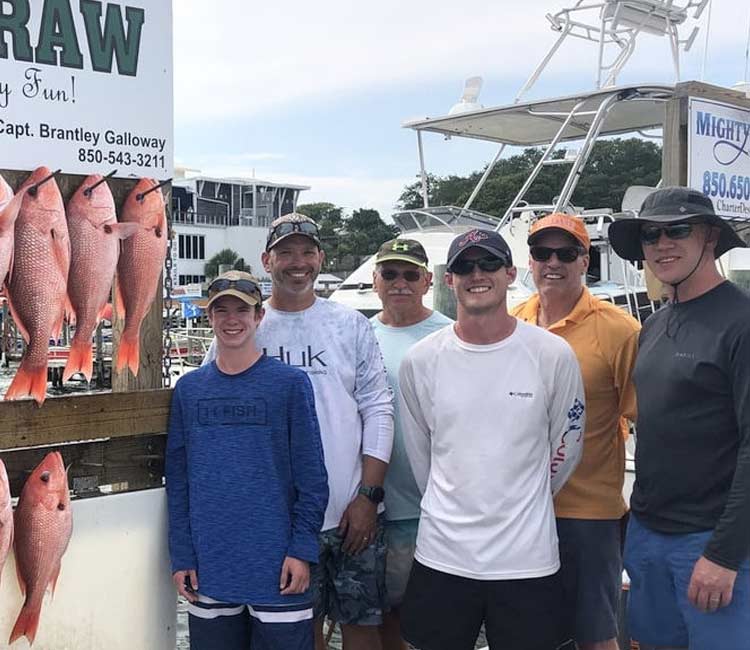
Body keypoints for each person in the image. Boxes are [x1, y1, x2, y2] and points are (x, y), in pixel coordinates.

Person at [203, 213, 394, 650]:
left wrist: (368, 496)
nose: (297, 262)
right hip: (277, 521)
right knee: (298, 633)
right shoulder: (243, 323)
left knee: (363, 628)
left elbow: (379, 410)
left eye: (307, 252)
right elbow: (214, 407)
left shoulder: (351, 325)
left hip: (351, 512)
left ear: (320, 258)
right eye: (285, 252)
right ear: (266, 259)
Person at [398, 228, 586, 650]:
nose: (475, 273)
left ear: (510, 272)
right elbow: (421, 456)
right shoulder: (421, 360)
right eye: (464, 265)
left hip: (528, 560)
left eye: (488, 264)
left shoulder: (552, 354)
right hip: (442, 555)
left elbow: (567, 447)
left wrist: (527, 498)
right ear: (449, 279)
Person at [608, 187, 750, 650]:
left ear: (710, 237)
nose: (662, 243)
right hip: (649, 534)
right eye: (651, 234)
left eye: (678, 230)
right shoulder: (653, 324)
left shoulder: (742, 322)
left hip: (711, 543)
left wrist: (724, 555)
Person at [166, 270, 329, 650]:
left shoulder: (290, 384)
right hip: (210, 567)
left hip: (277, 567)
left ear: (259, 317)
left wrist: (301, 550)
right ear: (209, 318)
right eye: (221, 310)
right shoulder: (189, 390)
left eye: (242, 309)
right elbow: (179, 481)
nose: (231, 319)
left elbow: (312, 478)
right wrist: (182, 555)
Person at [512, 213, 640, 650]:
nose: (553, 262)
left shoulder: (620, 330)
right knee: (526, 633)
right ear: (529, 261)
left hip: (588, 514)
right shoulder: (511, 322)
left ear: (585, 261)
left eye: (566, 253)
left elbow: (646, 418)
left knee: (595, 635)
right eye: (541, 252)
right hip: (518, 510)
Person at [369, 238, 453, 650]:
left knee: (436, 622)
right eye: (390, 273)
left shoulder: (451, 334)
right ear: (375, 281)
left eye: (409, 274)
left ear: (427, 280)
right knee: (384, 614)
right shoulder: (360, 335)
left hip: (435, 507)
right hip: (374, 507)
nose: (399, 282)